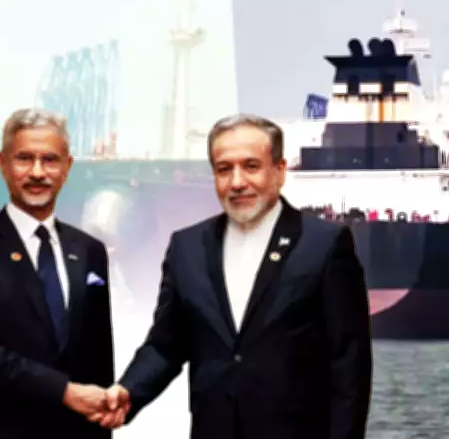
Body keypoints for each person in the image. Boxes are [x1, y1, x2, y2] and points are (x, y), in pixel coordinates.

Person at [92, 113, 373, 438]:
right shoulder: (187, 248)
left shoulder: (324, 245)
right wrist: (128, 392)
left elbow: (349, 365)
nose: (237, 182)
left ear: (279, 171)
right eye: (224, 169)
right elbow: (165, 346)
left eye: (251, 166)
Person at [0, 108, 114, 439]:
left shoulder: (90, 251)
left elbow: (98, 361)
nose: (37, 172)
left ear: (67, 167)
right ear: (2, 163)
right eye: (24, 159)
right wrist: (63, 391)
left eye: (50, 160)